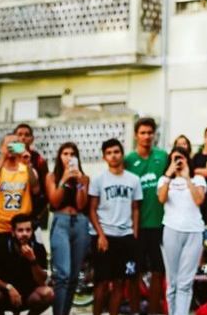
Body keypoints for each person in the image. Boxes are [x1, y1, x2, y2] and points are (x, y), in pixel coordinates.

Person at [89, 138, 142, 315]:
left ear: (122, 154)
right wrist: (101, 235)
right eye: (109, 153)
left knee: (120, 282)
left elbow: (135, 208)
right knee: (102, 283)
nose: (113, 156)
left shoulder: (133, 180)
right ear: (104, 157)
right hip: (106, 235)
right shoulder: (98, 180)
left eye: (116, 152)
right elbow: (92, 210)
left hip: (125, 237)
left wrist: (134, 234)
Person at [123, 116, 169, 315]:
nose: (147, 136)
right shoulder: (127, 160)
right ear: (136, 135)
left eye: (150, 132)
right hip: (135, 226)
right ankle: (134, 310)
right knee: (134, 272)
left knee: (159, 271)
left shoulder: (163, 156)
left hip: (160, 224)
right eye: (142, 132)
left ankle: (152, 310)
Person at [157, 146, 205, 315]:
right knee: (173, 282)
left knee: (185, 282)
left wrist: (187, 178)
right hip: (171, 229)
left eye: (181, 158)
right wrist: (169, 175)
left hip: (193, 231)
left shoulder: (198, 179)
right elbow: (162, 199)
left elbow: (199, 200)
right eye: (174, 158)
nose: (178, 161)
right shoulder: (164, 180)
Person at [0, 134, 41, 275]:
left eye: (15, 144)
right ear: (2, 147)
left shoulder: (27, 169)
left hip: (21, 228)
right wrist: (3, 158)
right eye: (8, 145)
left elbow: (36, 189)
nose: (11, 147)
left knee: (22, 266)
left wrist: (27, 164)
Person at [0, 214, 53, 315]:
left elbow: (41, 282)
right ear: (13, 232)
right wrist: (9, 287)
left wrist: (33, 261)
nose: (24, 234)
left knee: (48, 293)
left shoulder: (38, 248)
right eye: (20, 230)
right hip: (3, 294)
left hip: (28, 296)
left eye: (28, 230)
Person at [45, 141, 88, 315]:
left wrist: (79, 182)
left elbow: (81, 204)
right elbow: (54, 201)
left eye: (72, 154)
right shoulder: (52, 176)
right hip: (60, 221)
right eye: (65, 154)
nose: (69, 157)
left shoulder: (84, 177)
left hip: (79, 221)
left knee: (73, 276)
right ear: (59, 156)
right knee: (62, 274)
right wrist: (64, 179)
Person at [13, 126, 50, 235]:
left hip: (31, 212)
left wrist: (38, 214)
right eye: (19, 134)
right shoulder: (8, 158)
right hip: (10, 209)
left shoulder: (39, 160)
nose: (23, 138)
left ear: (32, 139)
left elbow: (45, 190)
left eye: (26, 135)